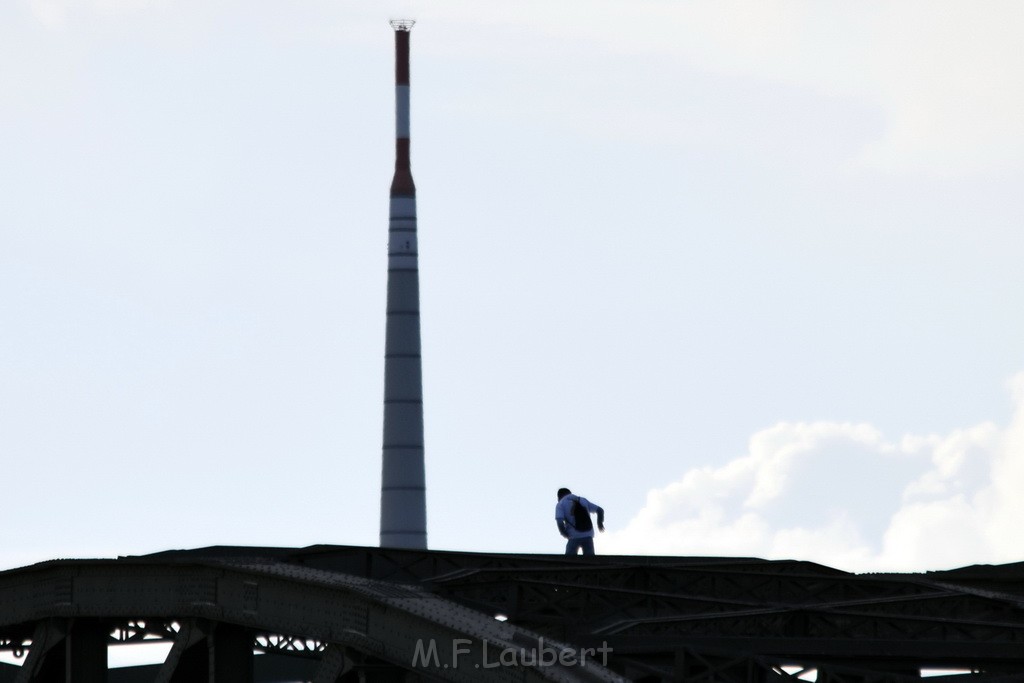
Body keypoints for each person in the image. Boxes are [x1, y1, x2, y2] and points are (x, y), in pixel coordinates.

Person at [555, 487, 605, 556]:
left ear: (559, 496)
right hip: (588, 535)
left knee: (569, 561)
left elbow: (559, 521)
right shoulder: (582, 500)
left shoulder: (561, 503)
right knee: (590, 561)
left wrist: (564, 533)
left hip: (573, 536)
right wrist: (600, 523)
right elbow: (600, 510)